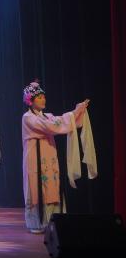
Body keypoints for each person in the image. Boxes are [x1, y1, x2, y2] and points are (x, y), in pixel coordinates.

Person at [21, 81, 94, 233]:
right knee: (36, 186)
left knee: (52, 185)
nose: (43, 99)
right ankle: (37, 222)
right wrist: (73, 114)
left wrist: (78, 111)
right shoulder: (28, 117)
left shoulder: (47, 116)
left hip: (49, 154)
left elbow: (60, 120)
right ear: (30, 101)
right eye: (39, 97)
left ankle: (52, 220)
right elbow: (52, 126)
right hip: (35, 157)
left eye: (43, 97)